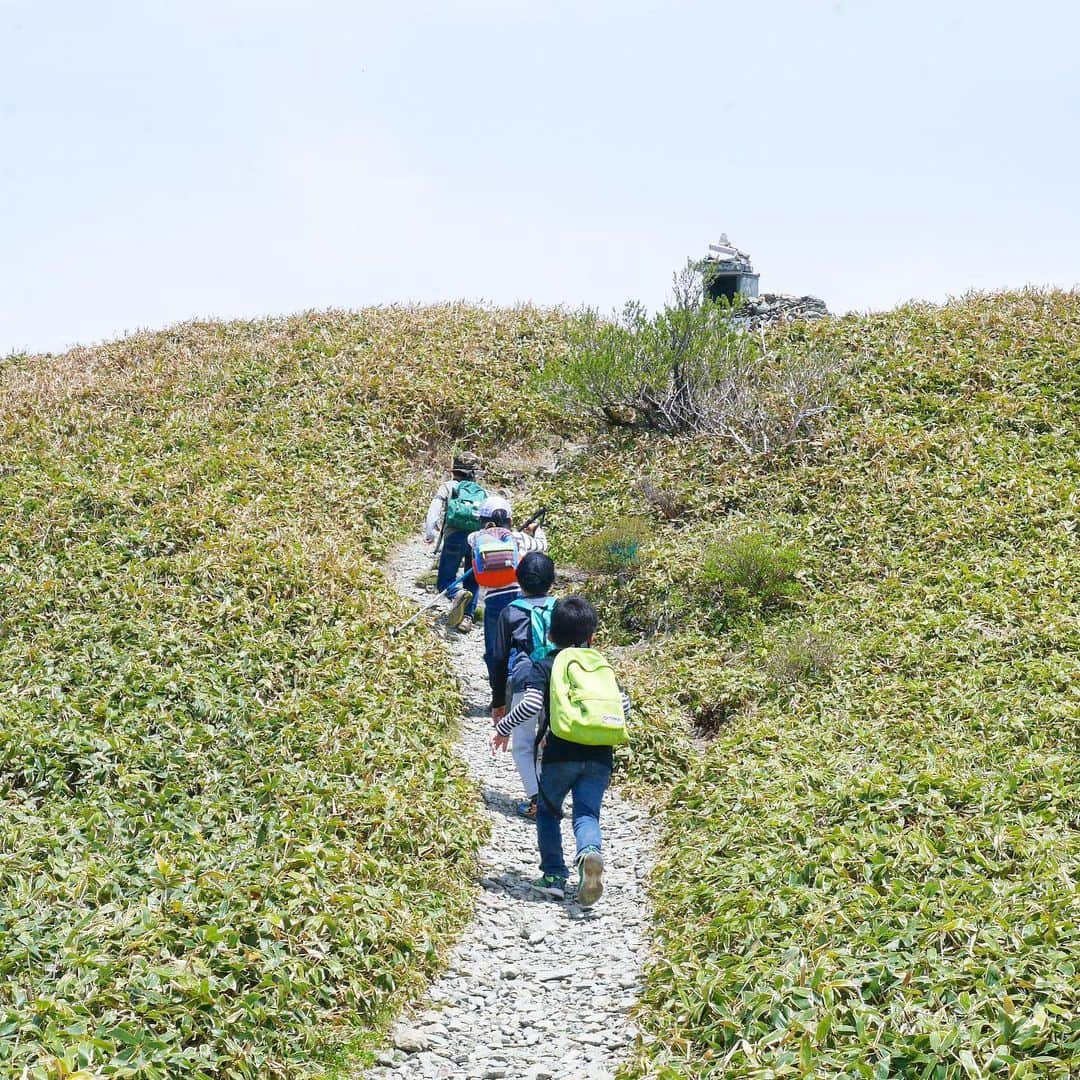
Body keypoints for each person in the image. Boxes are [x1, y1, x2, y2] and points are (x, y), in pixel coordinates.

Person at [491, 596, 630, 906]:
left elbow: (530, 705)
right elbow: (623, 706)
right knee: (586, 813)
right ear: (592, 636)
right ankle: (589, 854)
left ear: (550, 635)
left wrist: (503, 728)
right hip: (599, 754)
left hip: (560, 754)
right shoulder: (600, 667)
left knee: (549, 812)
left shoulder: (545, 665)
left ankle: (554, 875)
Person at [489, 552, 557, 820]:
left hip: (525, 681)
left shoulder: (511, 612)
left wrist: (498, 702)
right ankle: (551, 793)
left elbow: (498, 659)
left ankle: (537, 800)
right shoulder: (561, 607)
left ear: (518, 580)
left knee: (523, 744)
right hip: (559, 681)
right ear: (551, 581)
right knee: (549, 742)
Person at [424, 453, 484, 633]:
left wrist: (430, 533)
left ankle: (455, 593)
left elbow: (434, 510)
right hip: (476, 539)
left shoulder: (448, 487)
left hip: (454, 538)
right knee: (472, 577)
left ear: (454, 470)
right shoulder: (481, 492)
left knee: (445, 579)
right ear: (473, 473)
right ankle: (467, 618)